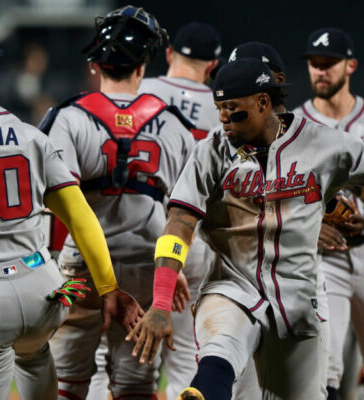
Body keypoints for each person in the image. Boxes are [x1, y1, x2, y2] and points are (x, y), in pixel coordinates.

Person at [126, 57, 364, 400]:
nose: (222, 117)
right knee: (221, 345)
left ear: (263, 103)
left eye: (232, 108)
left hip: (296, 298)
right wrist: (161, 301)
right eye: (219, 107)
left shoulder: (325, 144)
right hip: (232, 285)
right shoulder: (211, 152)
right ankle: (204, 392)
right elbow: (179, 224)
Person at [0, 37, 141, 400]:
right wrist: (108, 287)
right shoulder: (30, 136)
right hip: (41, 291)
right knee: (33, 354)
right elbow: (80, 217)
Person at [41, 5, 195, 400]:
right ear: (143, 67)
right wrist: (171, 268)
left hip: (82, 268)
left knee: (66, 383)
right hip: (147, 262)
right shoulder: (174, 124)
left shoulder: (68, 117)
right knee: (136, 385)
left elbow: (57, 206)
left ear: (97, 66)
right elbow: (184, 213)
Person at [225, 41, 330, 400]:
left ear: (276, 82)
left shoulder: (314, 139)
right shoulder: (220, 142)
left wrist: (323, 216)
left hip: (299, 288)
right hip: (239, 288)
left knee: (315, 388)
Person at [136, 21, 221, 400]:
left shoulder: (141, 89)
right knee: (187, 351)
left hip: (137, 229)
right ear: (213, 65)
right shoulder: (223, 102)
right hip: (195, 233)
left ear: (169, 55)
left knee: (129, 354)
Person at [293, 27, 364, 400]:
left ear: (350, 65)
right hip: (323, 258)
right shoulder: (293, 127)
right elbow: (276, 196)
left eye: (328, 63)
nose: (320, 71)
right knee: (327, 367)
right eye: (314, 64)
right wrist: (308, 224)